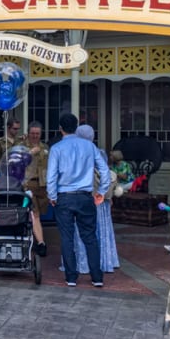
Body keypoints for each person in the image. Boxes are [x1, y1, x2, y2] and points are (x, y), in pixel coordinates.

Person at [47, 113, 110, 288]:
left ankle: (71, 277)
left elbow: (51, 176)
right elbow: (104, 171)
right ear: (76, 127)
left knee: (67, 238)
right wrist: (102, 191)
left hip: (64, 196)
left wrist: (52, 196)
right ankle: (97, 276)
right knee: (90, 237)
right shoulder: (89, 146)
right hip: (84, 196)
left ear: (60, 129)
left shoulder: (56, 149)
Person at [72, 125, 119, 273]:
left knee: (83, 230)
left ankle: (84, 262)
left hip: (83, 197)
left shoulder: (75, 154)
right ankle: (104, 260)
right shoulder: (99, 153)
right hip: (99, 198)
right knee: (100, 229)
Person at [0, 146, 47, 255]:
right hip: (15, 213)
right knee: (32, 214)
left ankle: (41, 243)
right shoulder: (8, 184)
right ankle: (40, 242)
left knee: (33, 213)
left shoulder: (2, 184)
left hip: (27, 190)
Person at [21, 121, 49, 218]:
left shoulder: (45, 147)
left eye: (37, 133)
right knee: (33, 213)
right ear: (28, 133)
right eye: (32, 133)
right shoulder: (21, 146)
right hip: (28, 184)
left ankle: (35, 231)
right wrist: (30, 153)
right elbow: (16, 162)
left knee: (41, 212)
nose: (35, 136)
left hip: (42, 185)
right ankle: (34, 233)